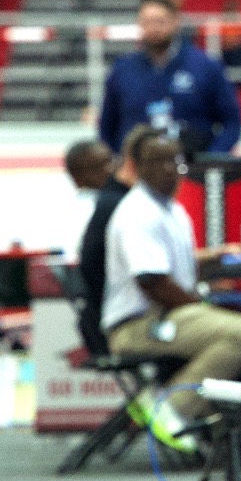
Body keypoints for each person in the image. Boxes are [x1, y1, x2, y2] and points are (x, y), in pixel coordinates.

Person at [102, 127, 241, 451]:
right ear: (136, 166)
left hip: (166, 314)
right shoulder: (138, 212)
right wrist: (201, 304)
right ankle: (172, 406)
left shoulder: (171, 209)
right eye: (156, 161)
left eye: (173, 160)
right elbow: (152, 281)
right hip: (139, 325)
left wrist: (216, 257)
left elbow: (174, 264)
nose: (168, 168)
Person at [96, 0, 241, 158]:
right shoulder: (122, 70)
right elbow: (107, 126)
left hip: (191, 170)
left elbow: (232, 123)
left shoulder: (206, 67)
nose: (153, 28)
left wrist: (210, 159)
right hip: (136, 170)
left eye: (160, 21)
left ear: (176, 21)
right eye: (147, 22)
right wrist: (119, 162)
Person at [65, 137, 135, 358]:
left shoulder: (114, 201)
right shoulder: (95, 208)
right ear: (78, 175)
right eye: (100, 165)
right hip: (109, 313)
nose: (110, 169)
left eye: (111, 161)